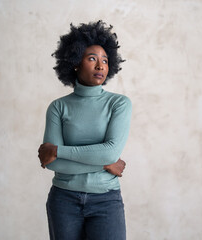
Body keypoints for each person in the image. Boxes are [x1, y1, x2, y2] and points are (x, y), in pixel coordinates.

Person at [38, 20, 132, 240]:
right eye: (92, 59)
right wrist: (105, 163)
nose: (100, 66)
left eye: (105, 60)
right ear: (75, 62)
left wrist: (58, 150)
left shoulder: (118, 104)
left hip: (106, 201)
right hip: (64, 201)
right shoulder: (58, 107)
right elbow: (55, 165)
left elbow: (109, 152)